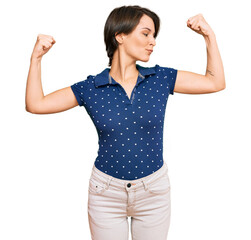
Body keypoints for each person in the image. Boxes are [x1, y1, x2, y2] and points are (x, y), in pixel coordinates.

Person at [25, 5, 225, 240]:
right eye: (146, 33)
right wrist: (36, 58)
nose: (153, 42)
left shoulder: (160, 78)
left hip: (154, 192)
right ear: (120, 35)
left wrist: (208, 35)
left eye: (154, 36)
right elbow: (36, 104)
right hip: (105, 194)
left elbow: (215, 82)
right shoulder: (92, 88)